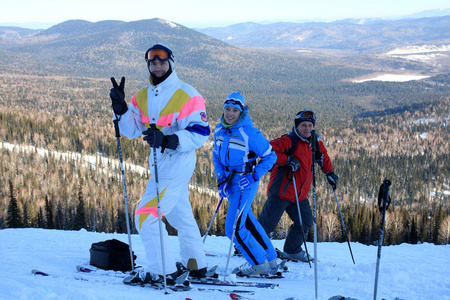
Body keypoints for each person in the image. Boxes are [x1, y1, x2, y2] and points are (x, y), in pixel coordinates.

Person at [109, 43, 211, 285]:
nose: (157, 67)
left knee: (145, 216)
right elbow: (131, 129)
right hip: (158, 164)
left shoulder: (188, 94)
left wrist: (167, 139)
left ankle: (163, 271)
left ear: (171, 63)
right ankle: (194, 263)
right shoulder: (142, 95)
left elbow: (200, 132)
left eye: (162, 62)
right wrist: (121, 108)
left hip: (177, 162)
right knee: (179, 215)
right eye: (152, 63)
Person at [212, 92, 279, 277]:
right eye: (227, 109)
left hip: (244, 183)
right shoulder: (219, 130)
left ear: (241, 112)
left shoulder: (249, 132)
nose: (230, 114)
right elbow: (217, 158)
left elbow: (271, 156)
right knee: (248, 222)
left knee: (233, 229)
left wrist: (254, 175)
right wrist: (221, 179)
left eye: (235, 110)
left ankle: (259, 265)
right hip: (230, 183)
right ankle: (270, 259)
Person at [258, 110, 338, 262]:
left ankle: (292, 250)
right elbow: (267, 150)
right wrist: (287, 159)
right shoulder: (289, 141)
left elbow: (323, 156)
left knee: (305, 222)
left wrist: (329, 173)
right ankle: (249, 248)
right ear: (297, 126)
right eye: (303, 125)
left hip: (299, 195)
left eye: (309, 125)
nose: (307, 128)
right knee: (267, 224)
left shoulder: (314, 142)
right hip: (281, 192)